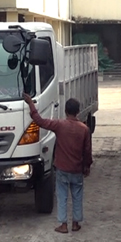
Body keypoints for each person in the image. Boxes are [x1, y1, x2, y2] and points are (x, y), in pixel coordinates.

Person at [23, 93, 93, 233]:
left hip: (62, 168)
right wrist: (86, 166)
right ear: (78, 111)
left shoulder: (59, 125)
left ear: (66, 111)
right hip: (77, 169)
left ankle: (63, 225)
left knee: (62, 197)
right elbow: (87, 151)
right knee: (77, 196)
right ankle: (75, 223)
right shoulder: (84, 129)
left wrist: (30, 103)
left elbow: (39, 121)